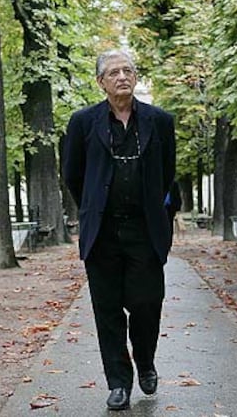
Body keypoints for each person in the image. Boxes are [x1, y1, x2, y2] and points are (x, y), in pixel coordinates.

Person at [63, 48, 176, 411]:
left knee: (146, 304)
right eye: (113, 72)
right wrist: (94, 206)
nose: (122, 77)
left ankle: (145, 360)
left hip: (145, 231)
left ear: (136, 77)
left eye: (128, 70)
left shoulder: (160, 121)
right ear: (101, 82)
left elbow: (167, 172)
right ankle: (118, 383)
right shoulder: (82, 123)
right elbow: (73, 174)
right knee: (107, 310)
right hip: (103, 233)